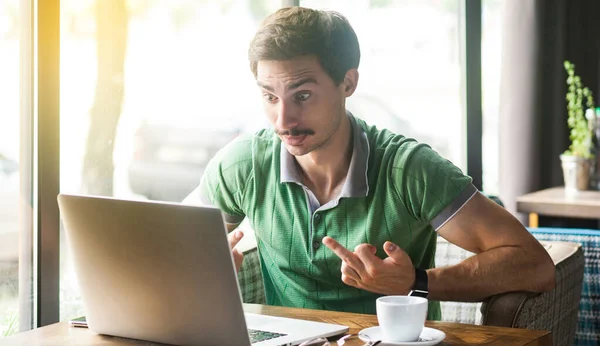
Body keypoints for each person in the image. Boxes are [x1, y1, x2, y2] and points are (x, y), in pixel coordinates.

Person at [184, 6, 555, 320]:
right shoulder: (242, 166)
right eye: (270, 96)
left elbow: (535, 265)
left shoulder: (410, 170)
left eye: (303, 95)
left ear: (348, 83)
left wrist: (417, 282)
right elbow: (174, 249)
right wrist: (207, 271)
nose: (283, 120)